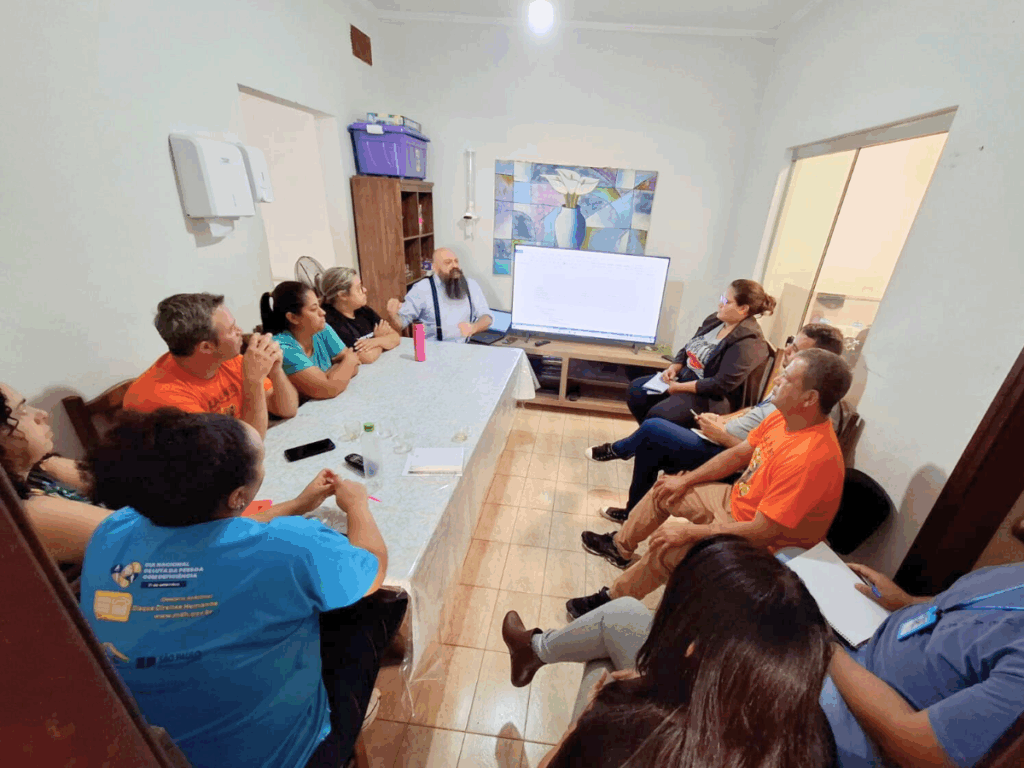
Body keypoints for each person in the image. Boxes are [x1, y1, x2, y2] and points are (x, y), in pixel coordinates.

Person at [80, 409, 405, 768]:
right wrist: (357, 505)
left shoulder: (113, 529)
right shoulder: (291, 547)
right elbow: (372, 567)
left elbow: (205, 529)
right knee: (375, 605)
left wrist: (296, 505)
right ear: (238, 496)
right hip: (282, 755)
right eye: (261, 458)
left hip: (146, 747)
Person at [502, 536, 837, 768]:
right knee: (625, 615)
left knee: (602, 666)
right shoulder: (813, 736)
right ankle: (533, 650)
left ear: (691, 648)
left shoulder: (633, 732)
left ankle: (534, 653)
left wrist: (585, 720)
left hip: (622, 738)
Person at [568, 348, 852, 618]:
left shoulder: (811, 458)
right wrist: (685, 481)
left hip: (761, 545)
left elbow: (762, 532)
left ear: (809, 398)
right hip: (739, 503)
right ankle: (620, 547)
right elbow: (738, 454)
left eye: (787, 378)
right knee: (664, 488)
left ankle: (611, 600)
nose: (777, 380)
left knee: (666, 549)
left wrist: (691, 533)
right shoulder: (783, 417)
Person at [587, 324, 845, 523]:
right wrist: (723, 420)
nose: (787, 351)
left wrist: (720, 434)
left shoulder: (801, 406)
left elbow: (757, 457)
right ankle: (630, 513)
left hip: (726, 451)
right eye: (791, 343)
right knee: (649, 437)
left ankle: (620, 450)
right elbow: (755, 411)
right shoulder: (787, 383)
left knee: (654, 429)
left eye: (796, 350)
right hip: (719, 434)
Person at [824, 561, 1024, 768]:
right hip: (867, 639)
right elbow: (974, 612)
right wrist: (908, 601)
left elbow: (916, 748)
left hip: (865, 726)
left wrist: (827, 649)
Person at [124, 293, 298, 438]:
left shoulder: (226, 359)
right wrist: (253, 380)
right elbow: (249, 443)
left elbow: (287, 409)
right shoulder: (162, 398)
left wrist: (275, 368)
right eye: (231, 330)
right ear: (206, 347)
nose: (240, 331)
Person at [625, 279, 774, 429]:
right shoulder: (715, 320)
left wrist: (678, 387)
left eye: (726, 302)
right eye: (722, 298)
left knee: (658, 416)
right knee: (636, 390)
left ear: (743, 309)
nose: (720, 304)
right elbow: (689, 346)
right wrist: (674, 367)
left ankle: (639, 442)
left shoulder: (749, 342)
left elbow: (720, 384)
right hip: (685, 379)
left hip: (711, 398)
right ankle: (649, 441)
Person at [0, 382, 110, 571]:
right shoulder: (29, 512)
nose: (42, 414)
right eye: (21, 412)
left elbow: (128, 486)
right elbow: (147, 538)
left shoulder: (40, 467)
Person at [259, 281, 360, 400]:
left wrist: (329, 377)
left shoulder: (321, 328)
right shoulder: (281, 346)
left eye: (319, 306)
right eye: (313, 309)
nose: (323, 312)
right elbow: (328, 389)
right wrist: (349, 359)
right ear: (293, 317)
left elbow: (354, 367)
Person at [385, 248, 492, 342]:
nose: (454, 266)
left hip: (465, 349)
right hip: (433, 353)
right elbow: (400, 323)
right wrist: (392, 315)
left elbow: (487, 317)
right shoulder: (422, 289)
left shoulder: (470, 285)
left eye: (456, 261)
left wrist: (474, 328)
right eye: (448, 262)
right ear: (435, 268)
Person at [316, 267, 400, 363]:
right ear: (342, 295)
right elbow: (366, 357)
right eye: (359, 288)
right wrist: (380, 339)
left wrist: (375, 341)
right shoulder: (331, 322)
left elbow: (395, 337)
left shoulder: (363, 310)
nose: (365, 290)